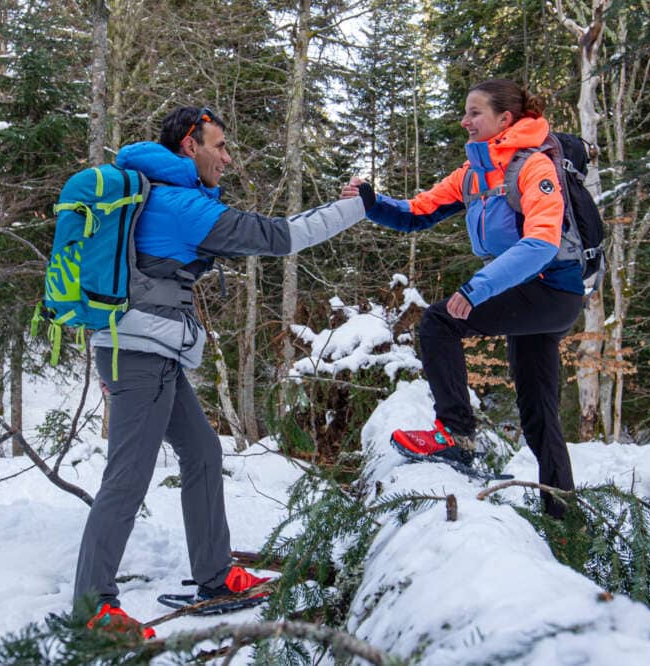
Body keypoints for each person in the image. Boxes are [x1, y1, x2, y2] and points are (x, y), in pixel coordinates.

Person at [75, 106, 367, 638]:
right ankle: (92, 608)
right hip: (140, 354)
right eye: (221, 146)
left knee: (204, 450)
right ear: (191, 146)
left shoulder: (163, 195)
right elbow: (279, 237)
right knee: (129, 475)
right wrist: (356, 209)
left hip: (145, 349)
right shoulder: (177, 204)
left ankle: (213, 576)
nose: (228, 159)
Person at [341, 79, 584, 520]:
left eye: (475, 112)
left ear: (504, 120)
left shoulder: (533, 167)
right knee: (538, 413)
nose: (464, 121)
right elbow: (416, 212)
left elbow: (542, 244)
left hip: (552, 289)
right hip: (531, 293)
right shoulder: (474, 173)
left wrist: (476, 289)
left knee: (438, 322)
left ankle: (455, 433)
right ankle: (563, 516)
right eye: (465, 112)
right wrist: (369, 202)